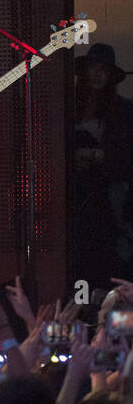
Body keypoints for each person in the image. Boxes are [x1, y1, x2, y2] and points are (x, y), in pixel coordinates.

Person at [72, 43, 133, 281]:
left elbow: (125, 159)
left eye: (104, 70)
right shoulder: (68, 107)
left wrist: (93, 155)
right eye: (93, 68)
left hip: (109, 197)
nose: (97, 74)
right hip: (76, 195)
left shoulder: (123, 111)